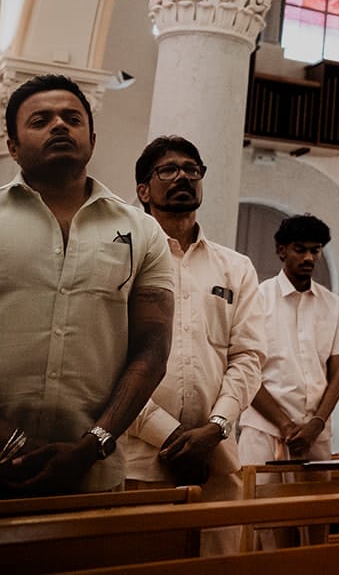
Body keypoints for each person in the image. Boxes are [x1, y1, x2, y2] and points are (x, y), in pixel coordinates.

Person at [0, 74, 175, 494]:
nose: (59, 126)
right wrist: (10, 441)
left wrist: (91, 445)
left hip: (91, 472)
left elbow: (151, 350)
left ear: (92, 139)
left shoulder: (141, 230)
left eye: (72, 118)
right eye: (40, 120)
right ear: (12, 146)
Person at [123, 136, 266, 553]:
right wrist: (166, 434)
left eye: (192, 168)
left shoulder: (235, 267)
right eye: (167, 170)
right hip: (139, 458)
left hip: (216, 461)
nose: (183, 176)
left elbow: (248, 356)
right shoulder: (124, 259)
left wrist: (216, 427)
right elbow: (112, 359)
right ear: (143, 191)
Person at [239, 214, 339, 467]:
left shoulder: (333, 305)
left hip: (315, 435)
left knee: (311, 506)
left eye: (315, 250)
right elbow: (247, 372)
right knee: (260, 505)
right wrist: (284, 424)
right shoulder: (256, 299)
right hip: (264, 430)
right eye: (300, 250)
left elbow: (338, 374)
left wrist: (316, 423)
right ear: (282, 251)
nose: (308, 258)